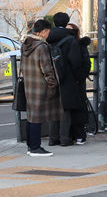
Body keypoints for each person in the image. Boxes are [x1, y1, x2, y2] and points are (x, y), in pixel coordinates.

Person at [22, 20, 63, 156]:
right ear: (44, 31)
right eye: (48, 32)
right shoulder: (42, 46)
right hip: (40, 86)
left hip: (29, 85)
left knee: (31, 115)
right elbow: (47, 69)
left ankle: (30, 146)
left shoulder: (26, 44)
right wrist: (52, 84)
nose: (48, 35)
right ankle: (35, 148)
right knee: (37, 118)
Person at [48, 12, 89, 146]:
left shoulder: (47, 38)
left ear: (54, 23)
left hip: (50, 77)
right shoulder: (70, 39)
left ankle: (53, 139)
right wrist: (78, 78)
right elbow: (75, 61)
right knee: (66, 109)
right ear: (66, 23)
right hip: (67, 78)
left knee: (53, 108)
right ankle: (64, 138)